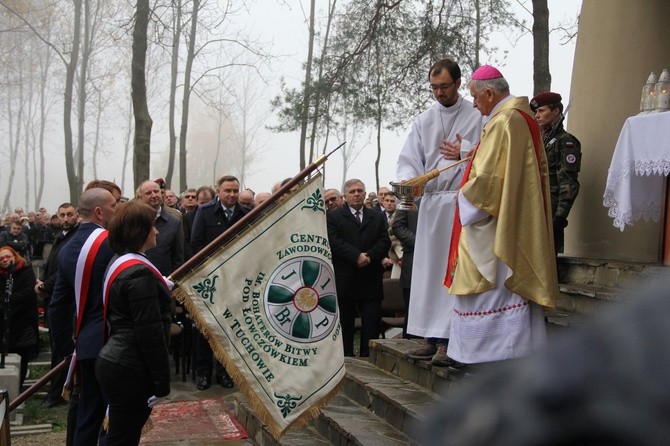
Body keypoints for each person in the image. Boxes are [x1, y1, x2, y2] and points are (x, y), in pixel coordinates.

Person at [444, 65, 558, 370]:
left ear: (490, 93)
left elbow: (489, 182)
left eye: (475, 97)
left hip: (495, 227)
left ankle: (486, 357)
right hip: (513, 217)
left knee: (486, 284)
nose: (474, 104)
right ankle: (513, 351)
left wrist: (462, 198)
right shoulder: (523, 118)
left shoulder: (503, 121)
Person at [396, 58, 483, 366]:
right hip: (432, 204)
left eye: (444, 86)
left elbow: (490, 152)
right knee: (429, 272)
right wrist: (409, 177)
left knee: (452, 271)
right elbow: (409, 157)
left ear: (458, 83)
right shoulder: (424, 120)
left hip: (461, 204)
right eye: (433, 87)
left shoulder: (476, 115)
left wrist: (464, 151)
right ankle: (427, 336)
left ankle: (448, 339)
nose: (438, 93)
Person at [96, 201, 172, 446]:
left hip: (118, 359)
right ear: (140, 231)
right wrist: (161, 383)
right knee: (123, 438)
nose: (157, 231)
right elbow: (150, 332)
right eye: (152, 226)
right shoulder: (139, 273)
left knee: (120, 435)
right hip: (130, 366)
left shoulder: (121, 261)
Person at [49, 187, 118, 445]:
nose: (117, 209)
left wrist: (68, 351)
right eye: (113, 205)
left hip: (86, 346)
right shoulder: (112, 244)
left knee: (88, 416)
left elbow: (57, 306)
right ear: (99, 212)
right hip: (114, 342)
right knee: (118, 418)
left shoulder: (67, 249)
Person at [191, 175, 249, 390]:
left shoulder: (245, 213)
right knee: (206, 328)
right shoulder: (205, 212)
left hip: (234, 280)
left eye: (235, 190)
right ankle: (203, 373)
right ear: (218, 190)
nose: (232, 195)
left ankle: (225, 372)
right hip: (210, 280)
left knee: (229, 328)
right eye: (228, 191)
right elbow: (196, 244)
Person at [327, 179, 390, 357]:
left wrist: (369, 256)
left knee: (371, 323)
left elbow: (384, 241)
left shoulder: (377, 216)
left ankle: (368, 358)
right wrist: (356, 256)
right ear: (345, 196)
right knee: (346, 323)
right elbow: (334, 242)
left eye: (360, 191)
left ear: (364, 193)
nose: (356, 194)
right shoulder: (333, 217)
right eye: (352, 191)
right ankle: (347, 359)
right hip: (346, 278)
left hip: (370, 278)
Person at [36, 203, 80, 408]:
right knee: (56, 345)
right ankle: (57, 389)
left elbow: (66, 268)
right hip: (52, 295)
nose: (65, 218)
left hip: (67, 299)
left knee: (62, 347)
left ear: (77, 215)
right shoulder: (60, 235)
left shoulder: (76, 237)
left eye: (69, 214)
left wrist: (46, 284)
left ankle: (60, 391)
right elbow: (52, 263)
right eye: (62, 215)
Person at [530, 91, 581, 255]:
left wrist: (560, 217)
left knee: (547, 262)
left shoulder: (566, 142)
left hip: (551, 210)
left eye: (541, 111)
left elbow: (568, 183)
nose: (537, 115)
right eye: (536, 112)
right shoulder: (543, 139)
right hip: (536, 204)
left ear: (556, 111)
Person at [0, 246, 38, 386]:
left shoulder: (26, 271)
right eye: (2, 258)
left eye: (8, 257)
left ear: (14, 256)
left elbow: (28, 292)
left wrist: (8, 301)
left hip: (22, 321)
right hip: (4, 322)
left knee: (21, 355)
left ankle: (18, 387)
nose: (5, 260)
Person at [137, 180, 184, 276]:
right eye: (148, 193)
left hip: (164, 280)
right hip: (138, 278)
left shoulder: (174, 222)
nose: (154, 195)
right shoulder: (134, 220)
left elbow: (178, 257)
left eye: (156, 191)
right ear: (140, 198)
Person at [391, 204, 419, 339]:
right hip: (414, 262)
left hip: (439, 262)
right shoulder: (409, 199)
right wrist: (422, 242)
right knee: (413, 312)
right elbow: (398, 227)